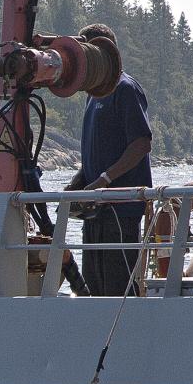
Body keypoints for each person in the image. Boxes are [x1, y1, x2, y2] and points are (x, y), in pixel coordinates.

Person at [66, 23, 154, 296]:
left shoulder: (126, 89)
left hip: (119, 208)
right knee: (96, 283)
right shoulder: (94, 96)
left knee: (119, 287)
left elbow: (141, 142)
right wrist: (78, 185)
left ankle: (126, 335)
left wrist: (104, 181)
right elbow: (99, 150)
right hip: (95, 210)